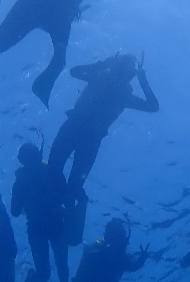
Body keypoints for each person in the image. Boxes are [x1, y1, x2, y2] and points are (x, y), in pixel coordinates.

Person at [48, 53, 159, 243]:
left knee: (56, 171)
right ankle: (64, 212)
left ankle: (60, 211)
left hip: (75, 129)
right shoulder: (120, 92)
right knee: (71, 183)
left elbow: (74, 71)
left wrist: (103, 63)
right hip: (90, 138)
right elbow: (153, 106)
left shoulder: (101, 78)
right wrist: (142, 80)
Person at [11, 142, 71, 282]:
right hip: (40, 227)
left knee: (61, 265)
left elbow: (15, 211)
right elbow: (15, 210)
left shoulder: (47, 172)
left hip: (51, 224)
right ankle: (37, 278)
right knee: (48, 272)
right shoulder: (27, 179)